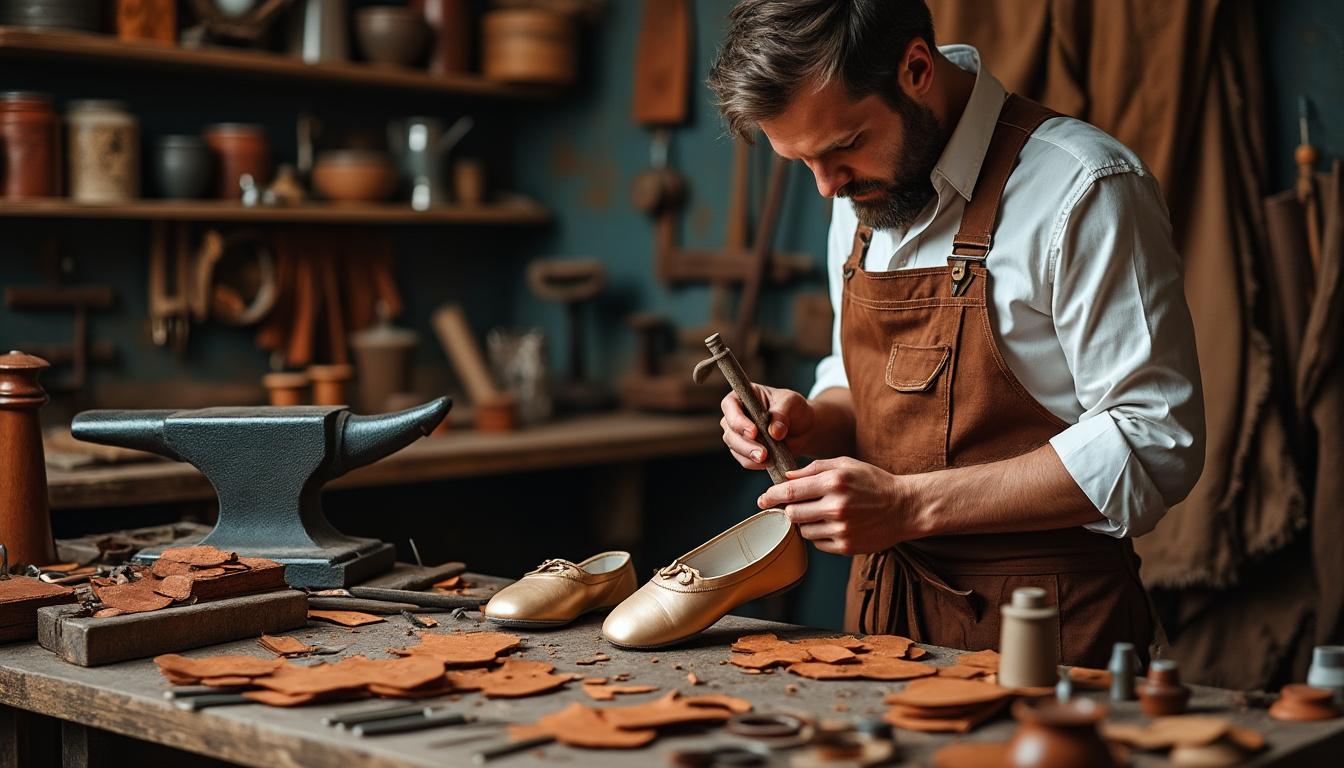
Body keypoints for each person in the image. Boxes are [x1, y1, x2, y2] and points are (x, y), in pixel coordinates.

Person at [706, 0, 1204, 666]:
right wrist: (811, 421)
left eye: (843, 145)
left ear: (915, 69)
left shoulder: (1083, 187)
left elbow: (1153, 439)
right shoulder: (861, 192)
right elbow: (857, 381)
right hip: (881, 620)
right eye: (802, 162)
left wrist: (907, 506)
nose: (826, 187)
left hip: (1048, 629)